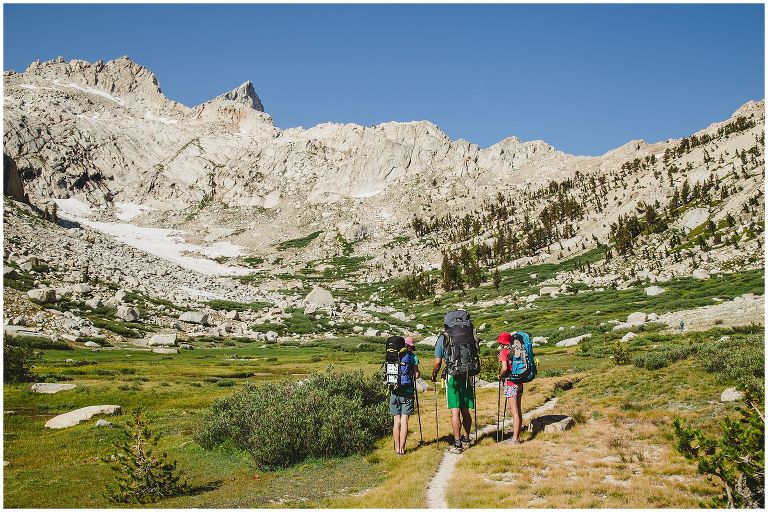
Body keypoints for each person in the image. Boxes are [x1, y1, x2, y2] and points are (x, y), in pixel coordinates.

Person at [432, 331, 475, 454]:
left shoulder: (443, 338)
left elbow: (438, 362)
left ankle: (457, 443)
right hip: (467, 374)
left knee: (455, 411)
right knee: (465, 410)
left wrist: (434, 374)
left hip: (452, 375)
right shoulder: (467, 334)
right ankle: (466, 438)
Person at [390, 337, 420, 455]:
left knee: (396, 422)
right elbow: (416, 375)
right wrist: (415, 373)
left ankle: (397, 448)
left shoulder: (392, 355)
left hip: (394, 391)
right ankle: (402, 449)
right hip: (407, 392)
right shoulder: (413, 357)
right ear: (408, 346)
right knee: (404, 421)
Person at [497, 332, 523, 444]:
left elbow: (504, 368)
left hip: (510, 383)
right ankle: (517, 436)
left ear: (502, 343)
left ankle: (515, 439)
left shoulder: (504, 352)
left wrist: (500, 376)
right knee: (518, 410)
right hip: (519, 381)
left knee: (514, 411)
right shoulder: (517, 349)